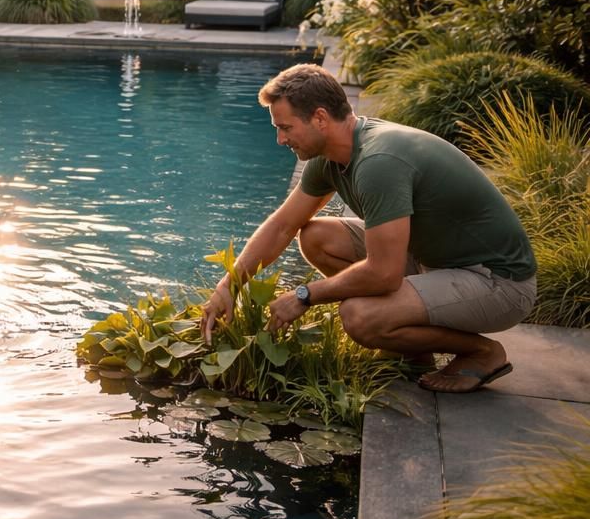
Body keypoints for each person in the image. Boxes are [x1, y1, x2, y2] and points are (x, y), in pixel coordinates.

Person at [200, 63, 536, 394]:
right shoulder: (331, 156)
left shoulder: (378, 162)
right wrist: (229, 286)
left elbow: (384, 274)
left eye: (285, 127)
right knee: (316, 237)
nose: (280, 139)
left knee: (360, 317)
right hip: (433, 260)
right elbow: (282, 225)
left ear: (320, 118)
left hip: (497, 283)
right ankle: (413, 348)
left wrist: (304, 295)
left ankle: (482, 352)